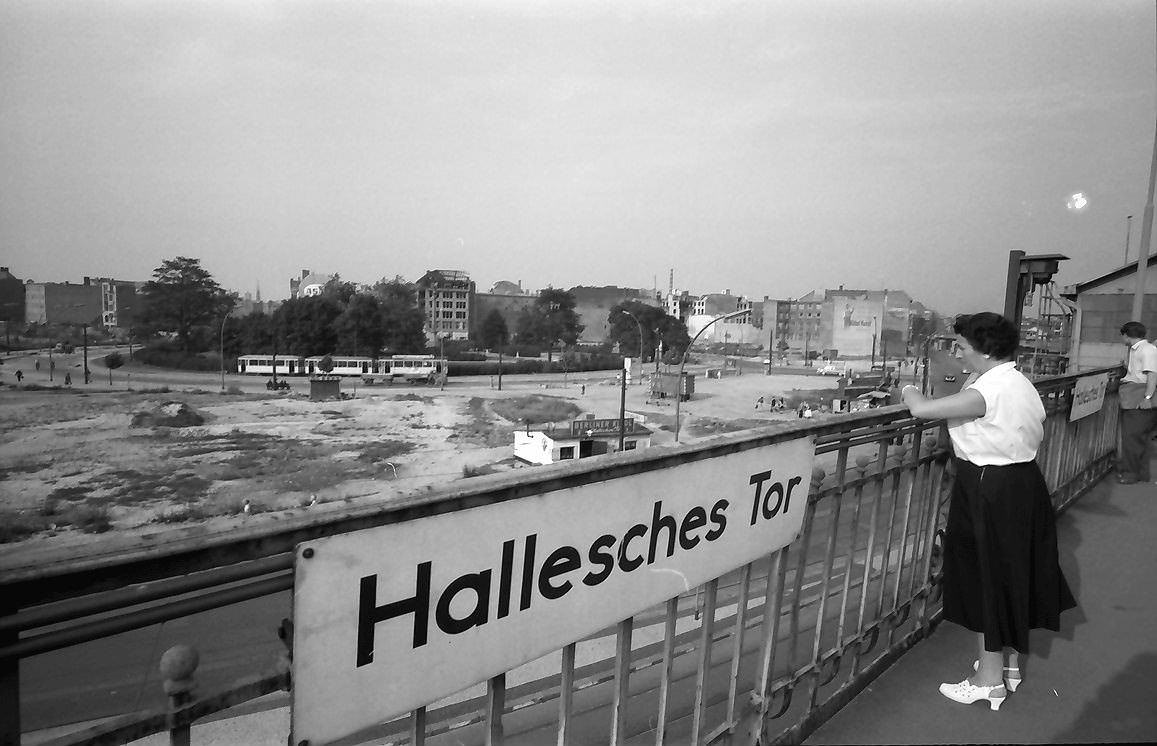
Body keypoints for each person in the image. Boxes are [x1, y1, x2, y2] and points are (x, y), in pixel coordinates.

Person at [900, 312, 1075, 712]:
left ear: (984, 348)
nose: (958, 353)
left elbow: (923, 410)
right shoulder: (1018, 382)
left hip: (986, 487)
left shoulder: (987, 391)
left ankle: (988, 680)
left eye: (962, 346)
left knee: (984, 577)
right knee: (1011, 571)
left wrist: (908, 389)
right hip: (1022, 484)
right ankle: (1007, 663)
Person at [1116, 321, 1157, 484]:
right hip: (1135, 394)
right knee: (1139, 437)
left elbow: (1152, 375)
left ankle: (1131, 473)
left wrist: (1147, 397)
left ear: (1127, 334)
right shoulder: (1139, 350)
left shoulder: (1146, 350)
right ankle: (1140, 473)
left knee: (1132, 437)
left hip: (1138, 395)